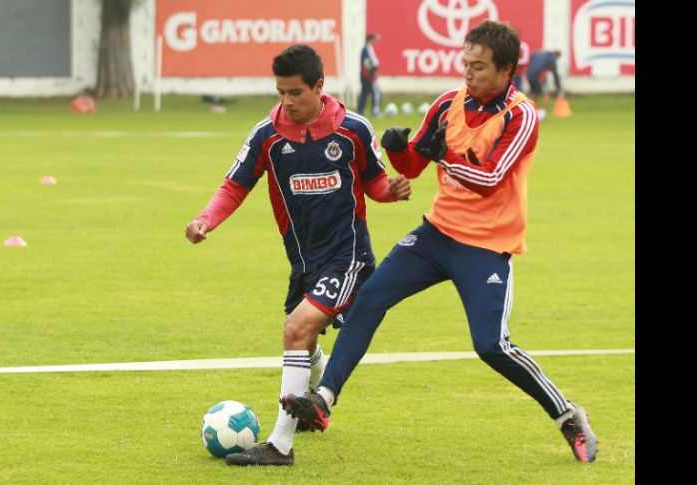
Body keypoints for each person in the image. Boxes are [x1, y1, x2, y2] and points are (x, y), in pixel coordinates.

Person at [281, 21, 598, 463]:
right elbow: (413, 166)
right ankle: (324, 400)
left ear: (507, 70)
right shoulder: (448, 103)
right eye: (466, 63)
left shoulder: (521, 115)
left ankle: (568, 415)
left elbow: (490, 179)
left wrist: (441, 154)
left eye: (479, 66)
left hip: (486, 246)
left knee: (491, 346)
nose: (468, 73)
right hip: (436, 234)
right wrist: (398, 149)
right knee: (369, 298)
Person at [186, 44, 411, 466]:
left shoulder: (353, 130)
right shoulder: (267, 135)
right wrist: (205, 220)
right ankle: (315, 405)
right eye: (280, 92)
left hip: (348, 258)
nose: (286, 101)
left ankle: (280, 445)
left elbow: (375, 184)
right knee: (302, 345)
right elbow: (234, 186)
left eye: (295, 93)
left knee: (296, 329)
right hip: (304, 263)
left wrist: (393, 191)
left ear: (319, 86)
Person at [526, 49, 562, 121]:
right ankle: (543, 113)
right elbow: (555, 75)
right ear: (556, 56)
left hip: (529, 74)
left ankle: (534, 112)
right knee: (545, 93)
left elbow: (529, 59)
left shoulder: (538, 53)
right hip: (539, 77)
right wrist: (559, 88)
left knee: (534, 94)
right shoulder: (552, 59)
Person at [357, 33, 381, 118]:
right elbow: (366, 63)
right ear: (370, 40)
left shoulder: (369, 49)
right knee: (374, 93)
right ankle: (373, 111)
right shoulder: (366, 50)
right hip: (367, 76)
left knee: (366, 93)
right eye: (374, 40)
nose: (375, 42)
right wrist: (372, 72)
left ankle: (361, 111)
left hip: (368, 75)